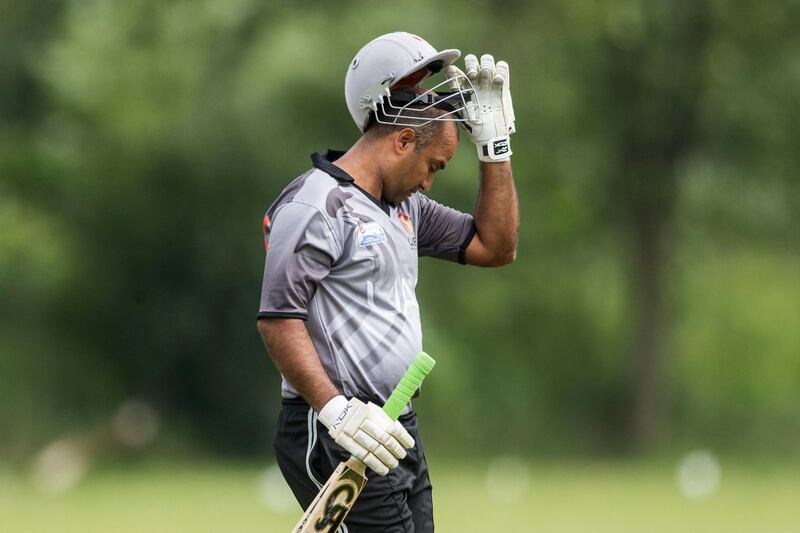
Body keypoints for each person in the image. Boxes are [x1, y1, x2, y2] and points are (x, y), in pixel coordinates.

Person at [257, 31, 518, 533]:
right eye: (432, 166)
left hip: (396, 426)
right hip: (335, 429)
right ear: (401, 140)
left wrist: (495, 149)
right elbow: (278, 320)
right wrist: (336, 412)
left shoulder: (405, 208)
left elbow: (496, 246)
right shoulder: (317, 206)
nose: (428, 183)